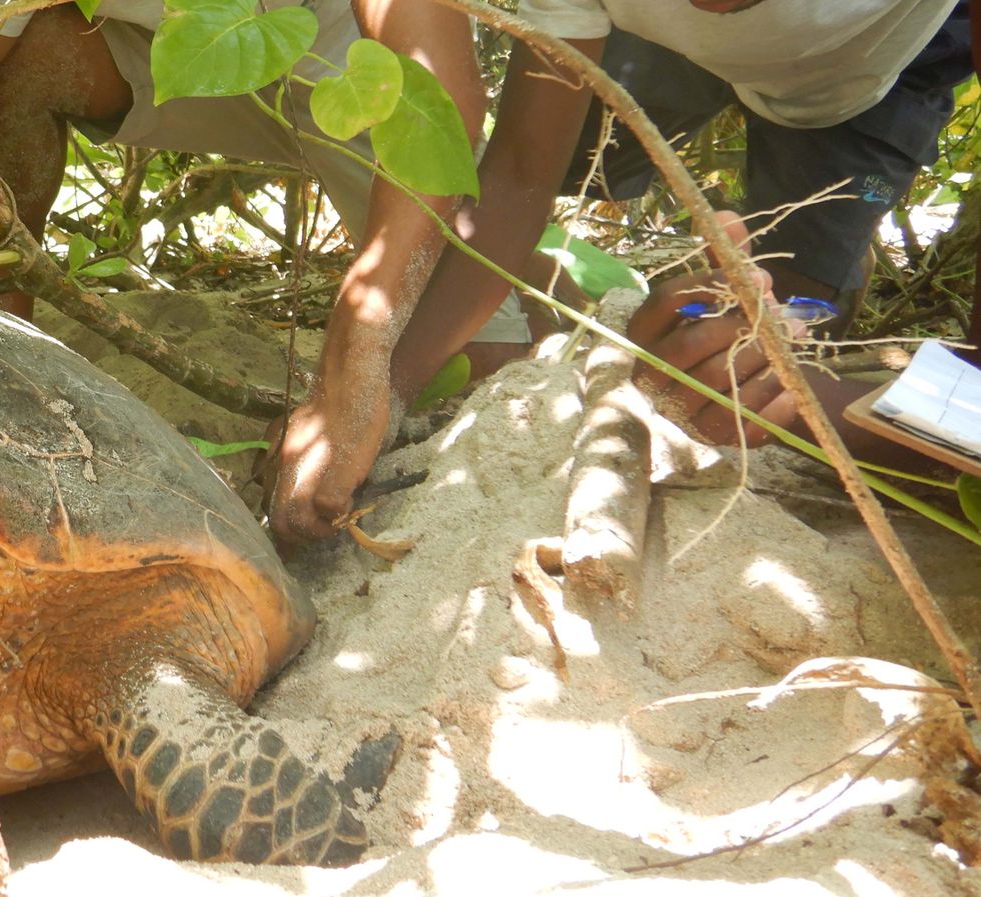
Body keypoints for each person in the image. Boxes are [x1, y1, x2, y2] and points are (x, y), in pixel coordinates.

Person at [268, 0, 972, 546]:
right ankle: (553, 301)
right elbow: (519, 172)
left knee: (790, 339)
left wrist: (822, 403)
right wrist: (379, 393)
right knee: (566, 160)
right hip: (666, 51)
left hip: (870, 81)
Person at [0, 0, 487, 517]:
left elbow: (442, 97)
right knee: (16, 49)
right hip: (183, 63)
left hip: (361, 80)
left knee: (479, 351)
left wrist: (349, 370)